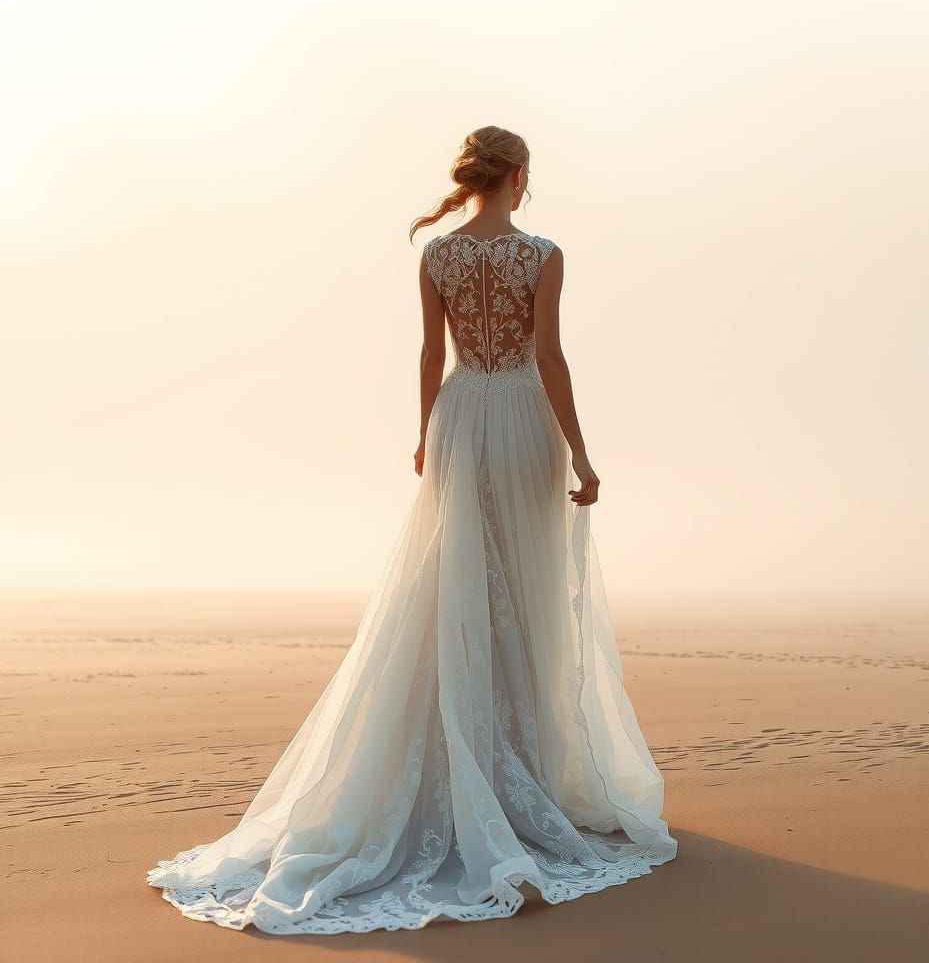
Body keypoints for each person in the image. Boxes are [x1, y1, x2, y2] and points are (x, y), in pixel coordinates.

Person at [146, 125, 677, 934]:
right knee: (525, 590)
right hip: (523, 420)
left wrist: (428, 432)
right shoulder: (543, 255)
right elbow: (549, 356)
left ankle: (480, 768)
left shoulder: (436, 256)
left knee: (457, 582)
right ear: (518, 177)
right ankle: (516, 775)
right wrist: (581, 453)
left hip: (461, 416)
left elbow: (432, 355)